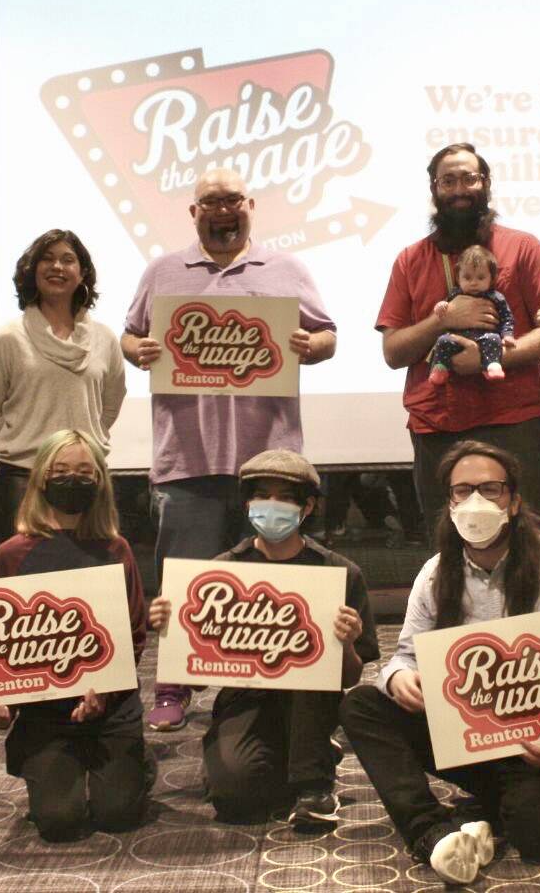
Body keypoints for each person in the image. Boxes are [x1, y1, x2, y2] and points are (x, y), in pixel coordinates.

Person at [340, 442, 540, 886]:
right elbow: (404, 655)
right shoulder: (436, 574)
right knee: (362, 704)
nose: (476, 501)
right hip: (469, 740)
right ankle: (431, 830)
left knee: (537, 836)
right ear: (450, 503)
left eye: (490, 489)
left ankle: (501, 809)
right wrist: (400, 679)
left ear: (513, 501)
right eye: (463, 491)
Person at [122, 167, 337, 732]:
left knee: (277, 581)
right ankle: (173, 685)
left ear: (251, 206)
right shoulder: (162, 271)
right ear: (194, 212)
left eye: (232, 199)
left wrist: (309, 344)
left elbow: (328, 337)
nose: (222, 209)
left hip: (270, 458)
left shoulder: (286, 268)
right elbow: (129, 336)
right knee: (184, 579)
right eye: (211, 201)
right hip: (185, 457)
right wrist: (139, 350)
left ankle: (284, 685)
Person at [147, 449, 378, 830]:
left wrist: (348, 643)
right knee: (235, 798)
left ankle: (314, 784)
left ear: (307, 507)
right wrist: (173, 632)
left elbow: (349, 677)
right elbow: (198, 679)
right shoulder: (221, 571)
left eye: (285, 498)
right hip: (245, 696)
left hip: (311, 700)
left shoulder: (339, 572)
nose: (272, 505)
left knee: (306, 668)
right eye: (262, 495)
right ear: (247, 503)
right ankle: (305, 753)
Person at [377, 143, 540, 534]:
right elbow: (393, 353)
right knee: (448, 548)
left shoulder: (523, 247)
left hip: (513, 422)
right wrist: (442, 322)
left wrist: (488, 358)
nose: (459, 189)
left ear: (486, 183)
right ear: (434, 189)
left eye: (469, 178)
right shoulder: (410, 260)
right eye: (448, 181)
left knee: (529, 545)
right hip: (436, 428)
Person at [0, 430, 152, 841]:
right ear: (41, 478)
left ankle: (137, 763)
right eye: (60, 471)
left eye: (83, 472)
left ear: (100, 481)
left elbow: (134, 635)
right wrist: (3, 700)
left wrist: (104, 694)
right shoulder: (11, 554)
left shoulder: (116, 549)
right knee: (59, 822)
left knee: (118, 814)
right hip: (45, 716)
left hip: (111, 709)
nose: (72, 480)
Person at [0, 229, 127, 541]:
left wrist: (80, 449)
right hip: (23, 476)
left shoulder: (105, 339)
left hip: (86, 479)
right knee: (25, 569)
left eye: (68, 260)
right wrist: (23, 439)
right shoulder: (8, 338)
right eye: (47, 259)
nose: (57, 266)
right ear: (33, 270)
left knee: (90, 567)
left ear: (82, 273)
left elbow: (110, 406)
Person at [427, 245, 515, 384]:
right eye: (467, 278)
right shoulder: (455, 294)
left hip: (485, 336)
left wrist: (507, 335)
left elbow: (507, 318)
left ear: (491, 278)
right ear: (458, 278)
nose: (474, 283)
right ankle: (440, 368)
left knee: (494, 340)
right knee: (443, 340)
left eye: (480, 278)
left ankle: (492, 365)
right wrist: (441, 306)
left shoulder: (496, 297)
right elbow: (446, 308)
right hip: (457, 337)